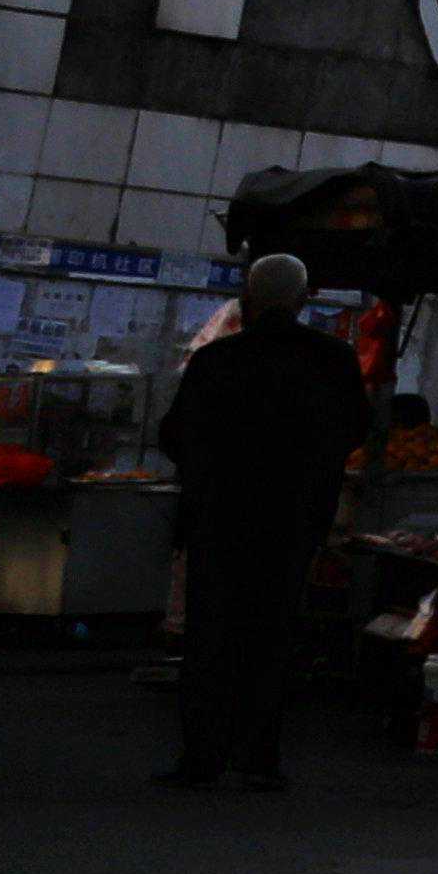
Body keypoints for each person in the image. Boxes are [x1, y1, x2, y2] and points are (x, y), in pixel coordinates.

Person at [154, 254, 371, 791]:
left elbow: (175, 435)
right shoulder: (333, 360)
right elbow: (355, 429)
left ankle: (202, 755)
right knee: (272, 637)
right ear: (302, 300)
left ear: (248, 299)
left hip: (218, 519)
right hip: (292, 521)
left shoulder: (216, 359)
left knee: (211, 637)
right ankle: (257, 756)